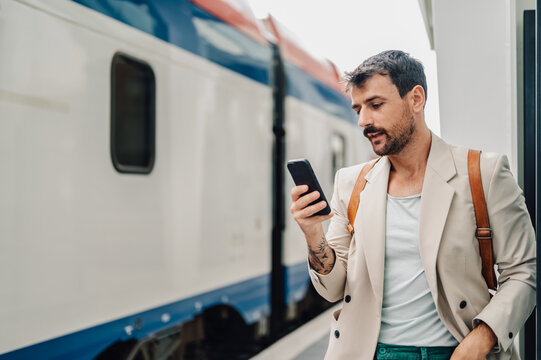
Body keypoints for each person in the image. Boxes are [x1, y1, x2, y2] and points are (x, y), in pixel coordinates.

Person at [290, 50, 536, 360]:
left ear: (415, 99)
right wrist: (314, 234)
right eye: (358, 109)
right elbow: (333, 289)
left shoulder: (483, 173)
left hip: (457, 351)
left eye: (376, 105)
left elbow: (524, 271)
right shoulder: (351, 183)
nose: (364, 120)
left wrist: (483, 337)